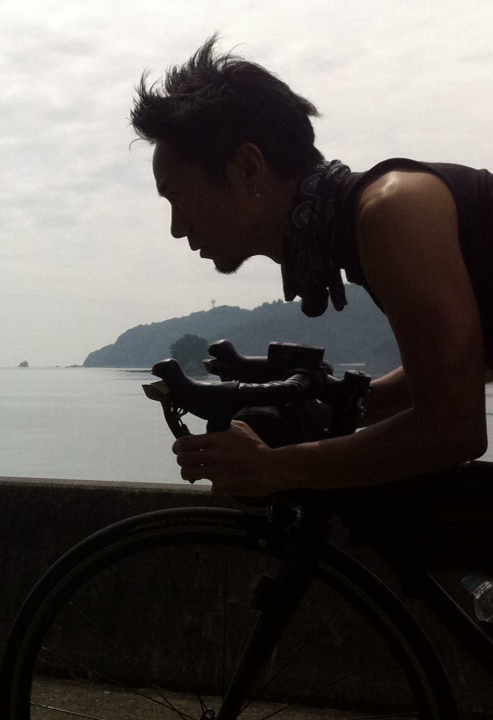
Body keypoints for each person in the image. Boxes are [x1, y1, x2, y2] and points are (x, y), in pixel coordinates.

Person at [130, 35, 493, 497]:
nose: (177, 228)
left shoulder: (392, 212)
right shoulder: (362, 225)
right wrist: (322, 410)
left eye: (178, 197)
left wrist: (274, 467)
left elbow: (452, 429)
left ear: (248, 170)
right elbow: (465, 364)